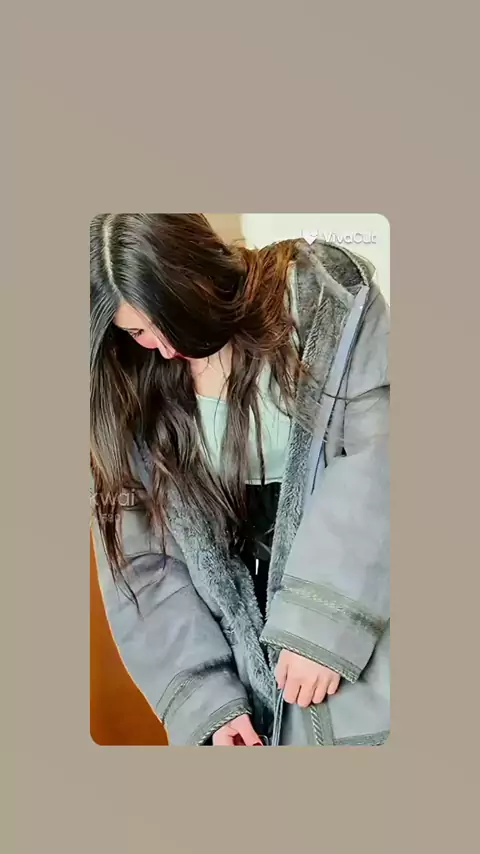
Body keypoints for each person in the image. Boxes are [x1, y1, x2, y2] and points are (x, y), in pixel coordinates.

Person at [90, 213, 390, 746]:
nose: (162, 346)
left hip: (359, 603)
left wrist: (323, 623)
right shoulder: (132, 380)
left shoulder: (324, 301)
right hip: (236, 659)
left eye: (167, 317)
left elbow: (381, 455)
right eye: (137, 331)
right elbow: (143, 561)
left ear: (197, 272)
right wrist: (207, 703)